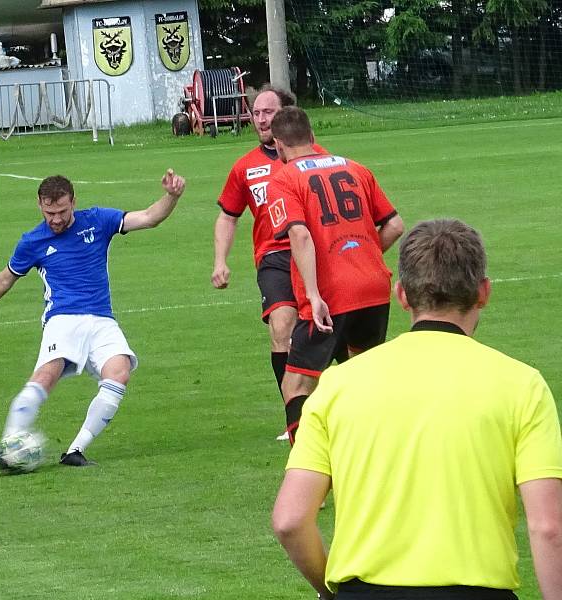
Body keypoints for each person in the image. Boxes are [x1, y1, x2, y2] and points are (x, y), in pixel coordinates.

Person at [271, 219, 562, 600]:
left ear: (402, 295)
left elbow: (290, 520)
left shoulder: (338, 385)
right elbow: (548, 527)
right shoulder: (522, 385)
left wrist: (331, 592)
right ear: (483, 292)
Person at [0, 170, 186, 467]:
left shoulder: (99, 221)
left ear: (73, 202)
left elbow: (150, 217)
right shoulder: (33, 241)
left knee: (120, 372)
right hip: (62, 319)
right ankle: (9, 444)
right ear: (40, 206)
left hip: (101, 319)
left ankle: (75, 450)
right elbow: (6, 278)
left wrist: (171, 196)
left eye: (61, 211)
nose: (56, 219)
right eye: (50, 213)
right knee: (47, 375)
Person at [267, 106, 404, 444]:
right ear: (312, 138)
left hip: (330, 295)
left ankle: (309, 474)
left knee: (295, 384)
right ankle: (377, 456)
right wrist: (364, 256)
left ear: (279, 145)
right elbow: (395, 225)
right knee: (363, 379)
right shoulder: (356, 168)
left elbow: (299, 235)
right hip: (374, 286)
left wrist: (313, 296)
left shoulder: (283, 179)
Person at [212, 85, 339, 440]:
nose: (262, 119)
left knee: (324, 329)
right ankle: (293, 416)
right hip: (275, 256)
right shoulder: (245, 167)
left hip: (314, 253)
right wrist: (220, 261)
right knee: (282, 326)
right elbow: (228, 215)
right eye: (256, 112)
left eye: (268, 112)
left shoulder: (319, 157)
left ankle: (324, 405)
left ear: (285, 115)